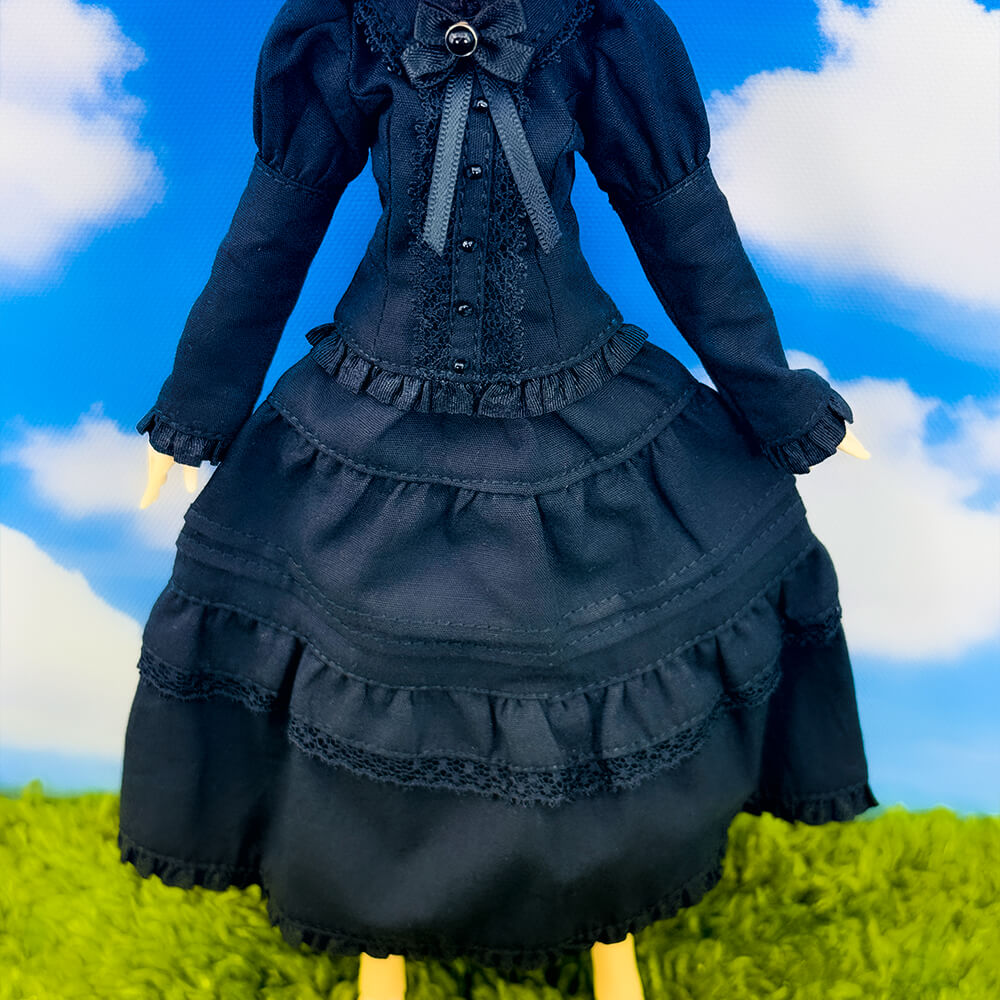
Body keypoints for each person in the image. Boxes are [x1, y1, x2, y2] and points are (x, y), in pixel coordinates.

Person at [119, 1, 879, 997]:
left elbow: (678, 215)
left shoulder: (598, 25)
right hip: (375, 403)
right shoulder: (350, 25)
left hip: (573, 397)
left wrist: (775, 398)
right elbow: (277, 218)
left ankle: (608, 927)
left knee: (583, 665)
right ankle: (381, 939)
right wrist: (197, 405)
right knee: (372, 669)